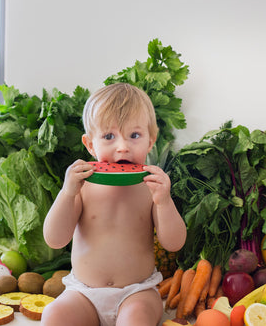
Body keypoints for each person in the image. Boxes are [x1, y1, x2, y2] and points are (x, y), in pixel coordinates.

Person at [41, 82, 187, 326]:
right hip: (84, 293)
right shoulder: (82, 187)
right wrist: (67, 193)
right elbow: (55, 239)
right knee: (53, 316)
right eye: (109, 136)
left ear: (150, 141)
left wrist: (164, 201)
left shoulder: (151, 188)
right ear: (89, 144)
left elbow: (174, 243)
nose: (123, 146)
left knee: (137, 318)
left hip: (137, 292)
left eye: (134, 135)